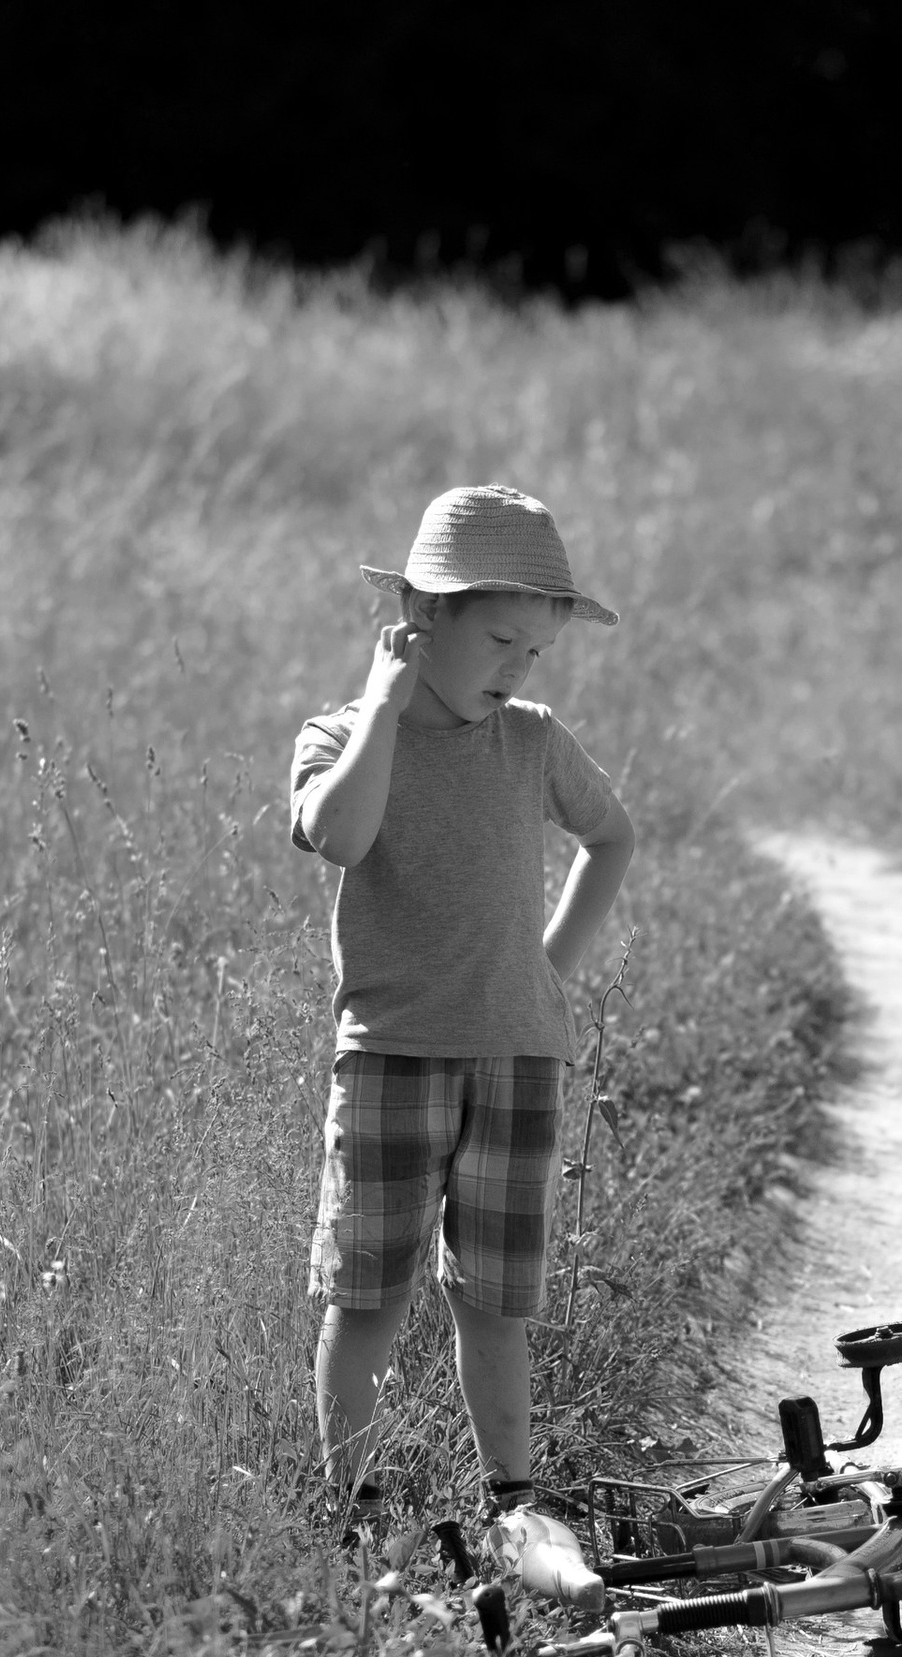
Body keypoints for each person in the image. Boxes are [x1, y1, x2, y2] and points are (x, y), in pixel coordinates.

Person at [291, 484, 636, 1547]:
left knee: (495, 1301)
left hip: (519, 1057)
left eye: (533, 652)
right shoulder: (344, 734)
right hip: (394, 1058)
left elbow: (611, 837)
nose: (513, 670)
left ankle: (512, 1506)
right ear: (418, 617)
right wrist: (385, 710)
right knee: (369, 1300)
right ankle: (359, 1514)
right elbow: (339, 838)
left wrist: (549, 973)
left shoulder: (530, 740)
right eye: (496, 639)